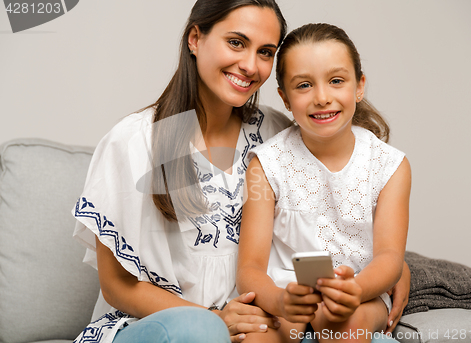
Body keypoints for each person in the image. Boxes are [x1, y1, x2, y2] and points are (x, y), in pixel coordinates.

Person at [71, 1, 408, 341]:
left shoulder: (276, 134)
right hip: (166, 326)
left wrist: (392, 270)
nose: (249, 65)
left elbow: (336, 220)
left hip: (254, 322)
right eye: (236, 42)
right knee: (199, 332)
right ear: (195, 39)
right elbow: (117, 286)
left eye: (265, 52)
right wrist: (213, 318)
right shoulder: (134, 141)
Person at [237, 23, 411, 343]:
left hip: (359, 290)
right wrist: (280, 301)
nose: (321, 97)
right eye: (303, 85)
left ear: (359, 86)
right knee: (257, 337)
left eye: (336, 81)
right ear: (285, 99)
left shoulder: (389, 165)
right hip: (285, 292)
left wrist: (355, 289)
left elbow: (389, 257)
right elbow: (249, 267)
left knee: (343, 325)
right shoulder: (266, 164)